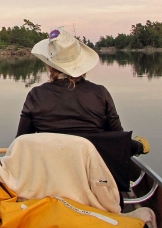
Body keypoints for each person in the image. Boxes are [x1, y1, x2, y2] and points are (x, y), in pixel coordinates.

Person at [16, 27, 150, 158]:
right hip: (93, 175)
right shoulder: (100, 94)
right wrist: (139, 146)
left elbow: (21, 143)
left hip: (50, 175)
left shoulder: (36, 95)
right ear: (81, 63)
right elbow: (118, 141)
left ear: (50, 65)